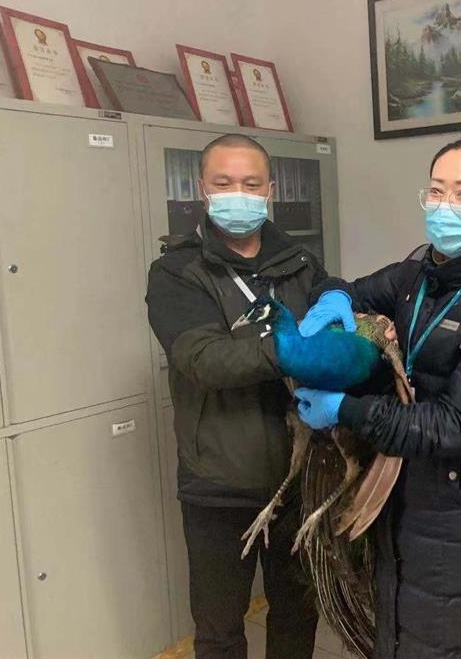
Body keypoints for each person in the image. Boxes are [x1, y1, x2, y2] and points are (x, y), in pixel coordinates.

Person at [296, 137, 461, 659]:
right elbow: (358, 289)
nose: (443, 206)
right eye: (435, 192)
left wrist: (346, 410)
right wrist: (336, 297)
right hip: (402, 497)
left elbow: (455, 426)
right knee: (402, 632)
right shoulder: (419, 271)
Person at [146, 134, 320, 659]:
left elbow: (338, 327)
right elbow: (204, 360)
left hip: (298, 477)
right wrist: (292, 351)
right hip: (219, 483)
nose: (237, 195)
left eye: (249, 184)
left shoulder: (300, 264)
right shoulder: (177, 272)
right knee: (221, 628)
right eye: (223, 183)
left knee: (296, 615)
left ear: (270, 189)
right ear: (203, 189)